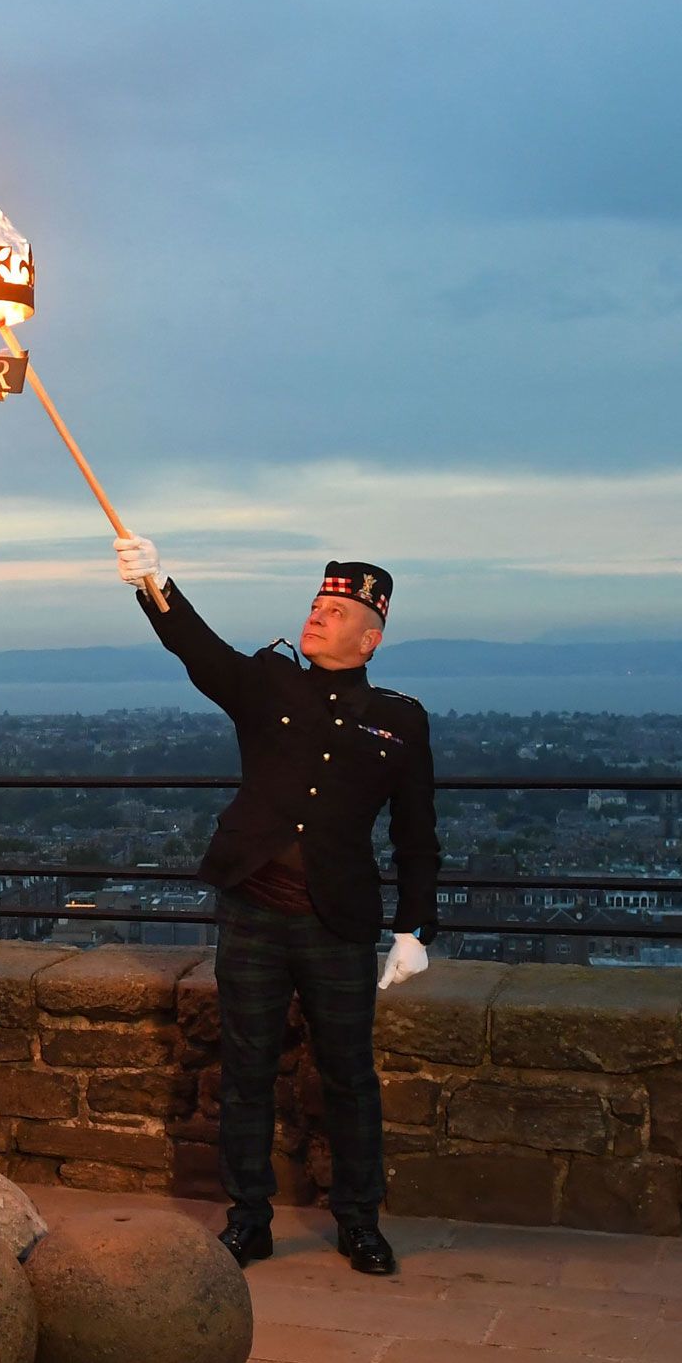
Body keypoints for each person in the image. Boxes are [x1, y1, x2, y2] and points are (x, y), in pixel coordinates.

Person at [113, 535, 441, 1275]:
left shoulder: (401, 720)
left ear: (371, 635)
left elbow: (418, 836)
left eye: (334, 610)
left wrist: (415, 926)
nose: (317, 617)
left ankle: (360, 1222)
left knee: (349, 1077)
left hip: (339, 922)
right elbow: (199, 651)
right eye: (316, 604)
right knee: (248, 1071)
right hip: (253, 912)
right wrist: (156, 584)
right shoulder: (268, 683)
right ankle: (249, 1218)